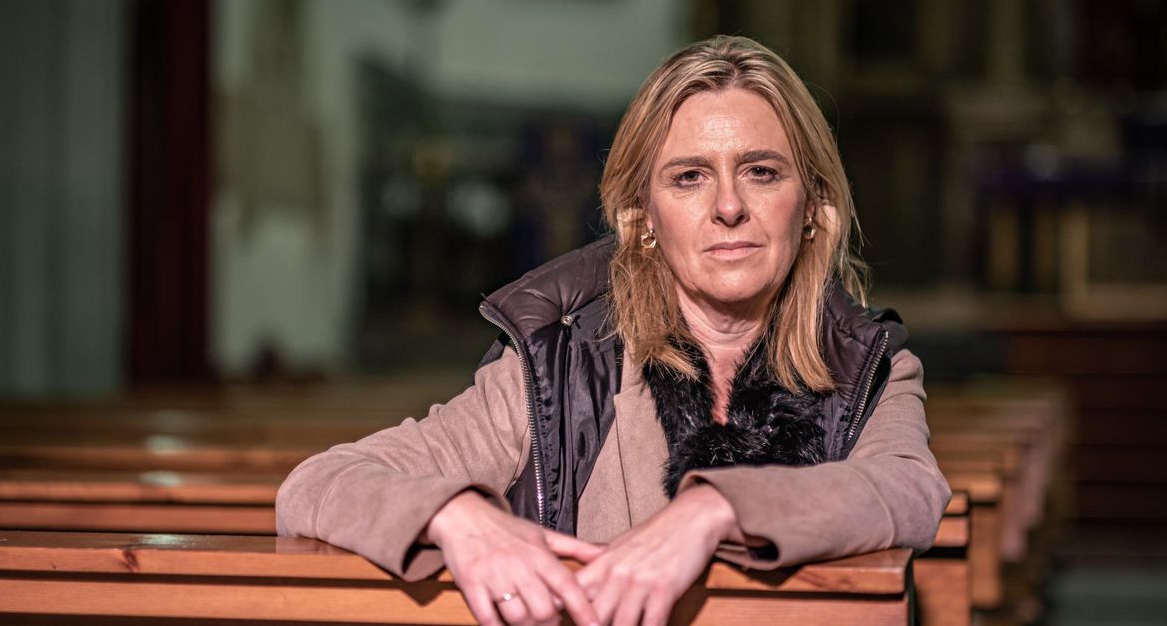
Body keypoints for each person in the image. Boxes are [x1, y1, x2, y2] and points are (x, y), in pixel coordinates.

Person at [276, 35, 951, 626]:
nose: (727, 207)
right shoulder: (563, 363)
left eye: (762, 171)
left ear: (812, 207)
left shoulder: (866, 361)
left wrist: (713, 509)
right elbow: (317, 484)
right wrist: (456, 515)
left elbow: (908, 490)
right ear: (643, 219)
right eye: (689, 177)